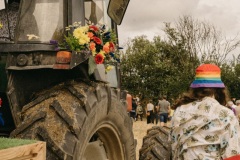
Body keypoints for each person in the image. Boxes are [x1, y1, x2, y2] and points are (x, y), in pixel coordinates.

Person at [170, 64, 240, 160]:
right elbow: (233, 154)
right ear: (219, 89)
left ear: (195, 88)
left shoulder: (179, 111)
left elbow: (173, 146)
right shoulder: (225, 114)